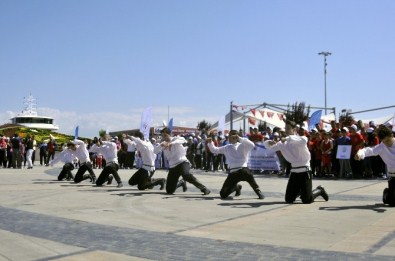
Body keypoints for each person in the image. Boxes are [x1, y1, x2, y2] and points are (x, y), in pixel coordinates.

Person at [266, 120, 329, 204]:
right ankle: (300, 191)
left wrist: (287, 138)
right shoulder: (282, 143)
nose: (286, 130)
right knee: (289, 200)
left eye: (288, 128)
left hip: (305, 171)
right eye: (285, 128)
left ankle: (319, 190)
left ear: (294, 130)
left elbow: (304, 140)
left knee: (307, 200)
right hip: (294, 172)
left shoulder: (300, 139)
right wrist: (269, 142)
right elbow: (269, 148)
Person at [206, 130, 264, 199]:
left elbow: (252, 145)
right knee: (223, 194)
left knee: (249, 176)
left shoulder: (243, 145)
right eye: (231, 136)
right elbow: (214, 150)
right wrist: (210, 143)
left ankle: (258, 191)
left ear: (237, 136)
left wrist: (239, 138)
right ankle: (236, 187)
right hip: (233, 172)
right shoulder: (227, 147)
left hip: (243, 168)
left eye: (234, 135)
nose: (232, 137)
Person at [154, 127, 211, 195]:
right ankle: (181, 183)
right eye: (163, 136)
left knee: (186, 175)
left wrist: (171, 143)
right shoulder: (163, 144)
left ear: (170, 134)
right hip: (172, 167)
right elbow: (155, 151)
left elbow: (183, 140)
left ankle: (203, 188)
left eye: (165, 135)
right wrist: (160, 145)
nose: (164, 137)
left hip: (182, 162)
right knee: (169, 191)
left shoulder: (175, 139)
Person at [355, 125, 395, 206]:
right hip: (393, 174)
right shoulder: (382, 147)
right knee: (392, 203)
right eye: (384, 141)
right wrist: (359, 154)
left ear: (392, 135)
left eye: (387, 140)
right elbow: (369, 150)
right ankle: (387, 193)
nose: (386, 143)